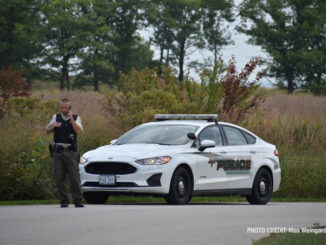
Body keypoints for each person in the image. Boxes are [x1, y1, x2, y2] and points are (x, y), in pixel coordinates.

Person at [46, 98, 84, 208]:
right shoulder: (56, 117)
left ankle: (78, 200)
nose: (63, 109)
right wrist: (53, 126)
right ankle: (64, 200)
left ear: (70, 107)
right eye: (61, 107)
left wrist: (71, 118)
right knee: (59, 177)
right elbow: (47, 131)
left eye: (65, 107)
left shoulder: (76, 118)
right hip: (58, 152)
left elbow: (78, 131)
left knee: (74, 177)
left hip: (71, 152)